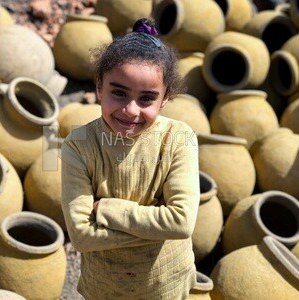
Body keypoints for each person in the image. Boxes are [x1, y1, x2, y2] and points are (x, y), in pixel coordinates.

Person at [60, 18, 200, 299]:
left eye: (147, 98)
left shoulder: (179, 138)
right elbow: (81, 236)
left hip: (166, 284)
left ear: (165, 98)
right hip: (105, 287)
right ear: (99, 87)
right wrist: (158, 225)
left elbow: (182, 223)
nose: (131, 110)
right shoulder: (78, 146)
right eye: (119, 93)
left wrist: (108, 210)